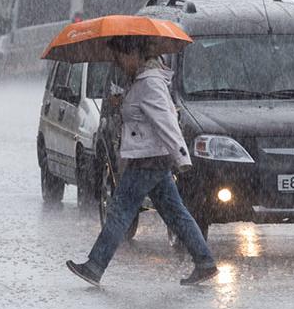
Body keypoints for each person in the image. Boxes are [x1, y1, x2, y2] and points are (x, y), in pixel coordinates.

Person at [66, 36, 218, 286]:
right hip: (150, 158)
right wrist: (122, 101)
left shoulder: (150, 83)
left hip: (148, 159)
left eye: (120, 57)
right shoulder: (142, 81)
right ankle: (205, 262)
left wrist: (182, 157)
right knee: (175, 213)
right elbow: (142, 114)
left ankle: (94, 266)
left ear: (134, 54)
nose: (118, 62)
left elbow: (166, 121)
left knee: (119, 212)